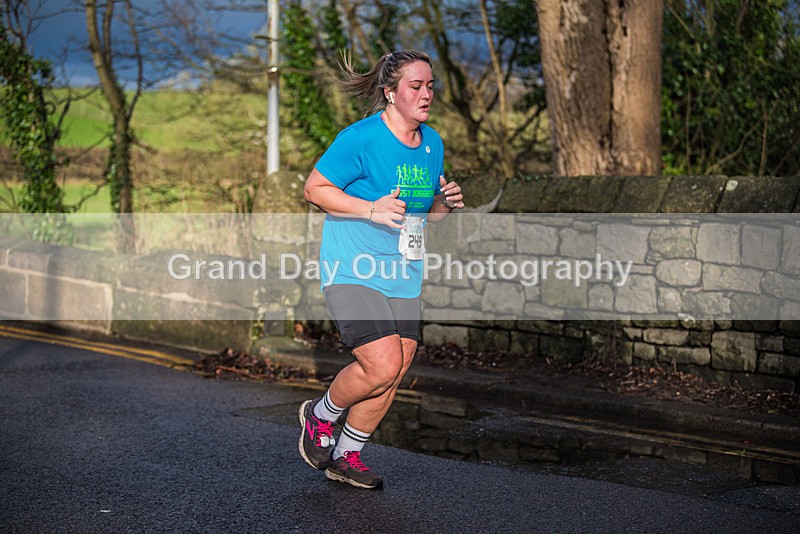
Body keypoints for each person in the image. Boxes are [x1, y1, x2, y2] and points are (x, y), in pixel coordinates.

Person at [299, 50, 464, 489]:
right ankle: (320, 415)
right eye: (416, 86)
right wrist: (370, 208)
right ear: (390, 92)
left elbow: (426, 217)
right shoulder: (361, 138)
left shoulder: (432, 143)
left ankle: (346, 456)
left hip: (403, 272)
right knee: (381, 363)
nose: (426, 94)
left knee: (398, 366)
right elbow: (315, 189)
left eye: (430, 86)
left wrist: (444, 203)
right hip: (353, 267)